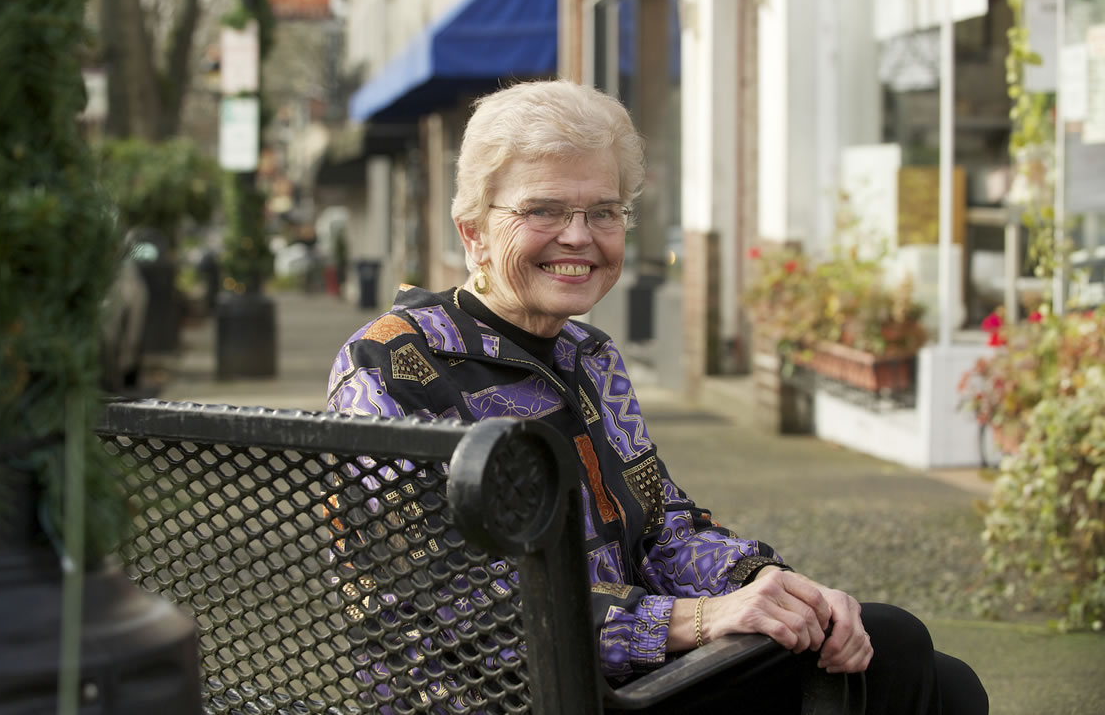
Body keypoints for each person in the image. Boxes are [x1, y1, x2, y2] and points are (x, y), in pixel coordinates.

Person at [326, 79, 988, 714]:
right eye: (544, 210)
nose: (579, 235)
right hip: (507, 696)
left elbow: (661, 525)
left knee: (927, 671)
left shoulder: (588, 355)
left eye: (603, 211)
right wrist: (685, 619)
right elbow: (443, 602)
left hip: (619, 679)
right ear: (472, 229)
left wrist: (764, 584)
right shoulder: (393, 367)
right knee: (899, 652)